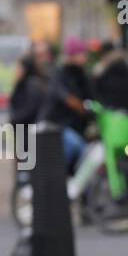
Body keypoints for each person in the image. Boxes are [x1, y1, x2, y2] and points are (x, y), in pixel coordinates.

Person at [39, 36, 92, 174]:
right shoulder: (61, 74)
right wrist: (82, 108)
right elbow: (68, 99)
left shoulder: (82, 75)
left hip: (71, 126)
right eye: (81, 53)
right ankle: (57, 178)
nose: (85, 57)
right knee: (78, 147)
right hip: (56, 126)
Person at [92, 40, 128, 114]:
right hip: (125, 110)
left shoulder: (102, 69)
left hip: (109, 110)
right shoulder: (124, 66)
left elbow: (96, 90)